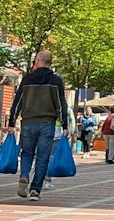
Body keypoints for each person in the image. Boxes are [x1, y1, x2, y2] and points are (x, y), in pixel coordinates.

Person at [6, 49, 70, 201]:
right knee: (43, 157)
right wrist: (65, 125)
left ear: (37, 61)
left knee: (27, 153)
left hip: (28, 122)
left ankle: (24, 176)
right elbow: (61, 104)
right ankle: (35, 190)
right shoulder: (56, 81)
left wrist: (12, 122)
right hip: (47, 123)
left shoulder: (27, 79)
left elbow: (18, 101)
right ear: (50, 63)